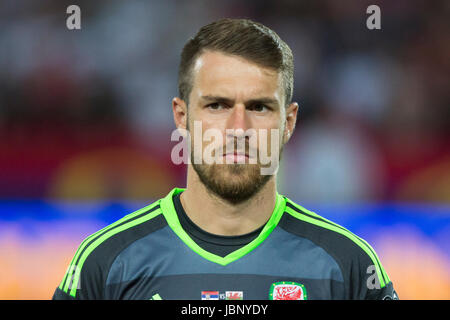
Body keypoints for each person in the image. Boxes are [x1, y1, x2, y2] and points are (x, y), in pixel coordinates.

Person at [53, 18, 397, 300]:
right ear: (181, 116)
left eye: (259, 107)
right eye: (216, 105)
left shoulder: (350, 266)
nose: (238, 128)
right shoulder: (105, 264)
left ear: (288, 122)